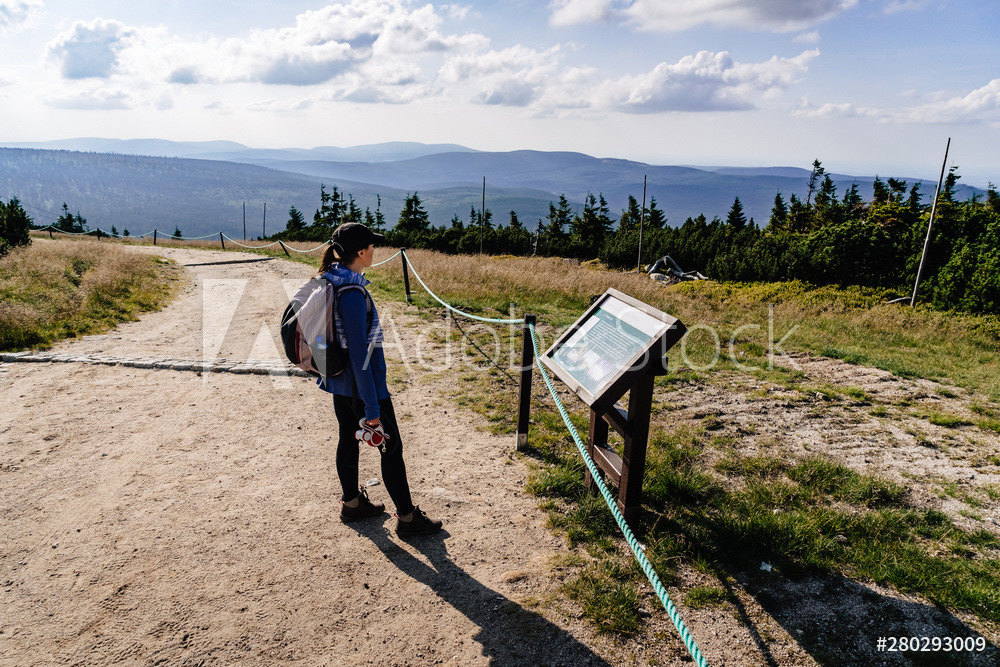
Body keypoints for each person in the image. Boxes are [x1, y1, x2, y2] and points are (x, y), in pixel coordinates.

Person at [317, 222, 442, 537]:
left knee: (348, 438)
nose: (375, 250)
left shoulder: (331, 279)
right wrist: (372, 407)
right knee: (392, 449)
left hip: (340, 383)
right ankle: (408, 519)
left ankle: (352, 504)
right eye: (371, 246)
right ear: (360, 252)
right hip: (364, 388)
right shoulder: (352, 292)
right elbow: (360, 353)